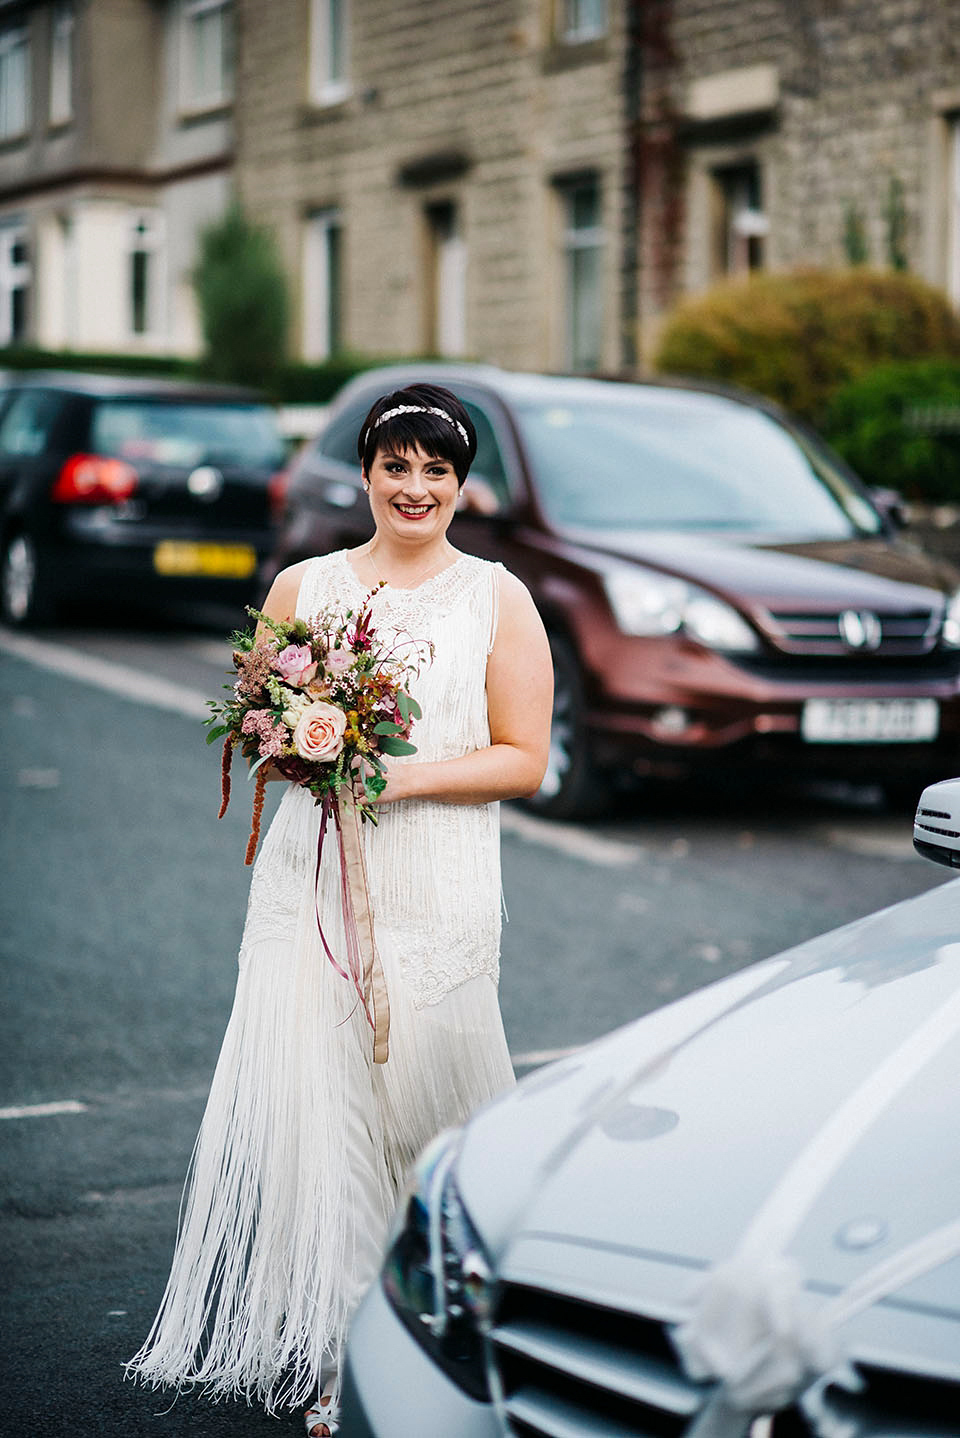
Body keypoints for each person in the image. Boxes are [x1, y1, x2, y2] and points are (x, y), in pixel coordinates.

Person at [126, 383, 553, 1436]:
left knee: (433, 1121)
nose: (416, 488)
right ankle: (346, 1363)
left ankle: (468, 1340)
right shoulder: (302, 586)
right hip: (308, 884)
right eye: (396, 466)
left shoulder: (499, 597)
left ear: (463, 484)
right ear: (364, 472)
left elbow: (526, 758)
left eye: (437, 470)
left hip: (439, 887)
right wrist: (305, 740)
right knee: (331, 1124)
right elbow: (256, 717)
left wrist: (387, 774)